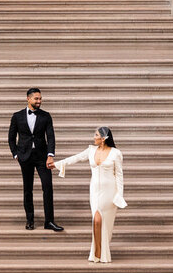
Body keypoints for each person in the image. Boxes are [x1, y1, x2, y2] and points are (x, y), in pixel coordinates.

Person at [56, 126, 126, 263]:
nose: (94, 137)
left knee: (104, 222)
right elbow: (75, 158)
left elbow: (119, 176)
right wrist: (58, 164)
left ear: (104, 138)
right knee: (96, 219)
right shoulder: (91, 150)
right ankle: (96, 252)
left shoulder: (116, 153)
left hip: (109, 192)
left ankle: (102, 253)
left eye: (96, 135)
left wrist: (119, 195)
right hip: (95, 190)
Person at [8, 88, 64, 232]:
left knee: (48, 187)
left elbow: (50, 137)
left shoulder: (46, 116)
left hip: (42, 157)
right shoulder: (17, 116)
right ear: (28, 98)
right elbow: (11, 137)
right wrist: (16, 154)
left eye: (40, 99)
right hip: (25, 156)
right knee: (28, 189)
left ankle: (49, 221)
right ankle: (30, 220)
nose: (39, 101)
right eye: (36, 99)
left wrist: (50, 155)